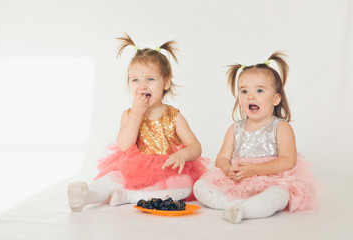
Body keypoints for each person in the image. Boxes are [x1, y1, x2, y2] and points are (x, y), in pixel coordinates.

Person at [67, 33, 208, 212]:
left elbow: (195, 146)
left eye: (150, 79)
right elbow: (124, 145)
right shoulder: (129, 114)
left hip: (167, 171)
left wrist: (183, 155)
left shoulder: (173, 115)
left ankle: (130, 196)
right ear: (129, 84)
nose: (142, 85)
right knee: (113, 177)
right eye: (135, 80)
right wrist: (137, 113)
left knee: (186, 184)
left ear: (165, 82)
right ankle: (87, 194)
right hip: (134, 169)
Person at [193, 52, 322, 223]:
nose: (251, 96)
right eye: (244, 91)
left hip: (270, 179)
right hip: (238, 180)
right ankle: (238, 204)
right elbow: (222, 158)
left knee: (280, 194)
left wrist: (254, 170)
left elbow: (288, 161)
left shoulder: (281, 127)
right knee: (200, 187)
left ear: (276, 99)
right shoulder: (235, 128)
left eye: (259, 90)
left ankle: (246, 209)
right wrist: (228, 169)